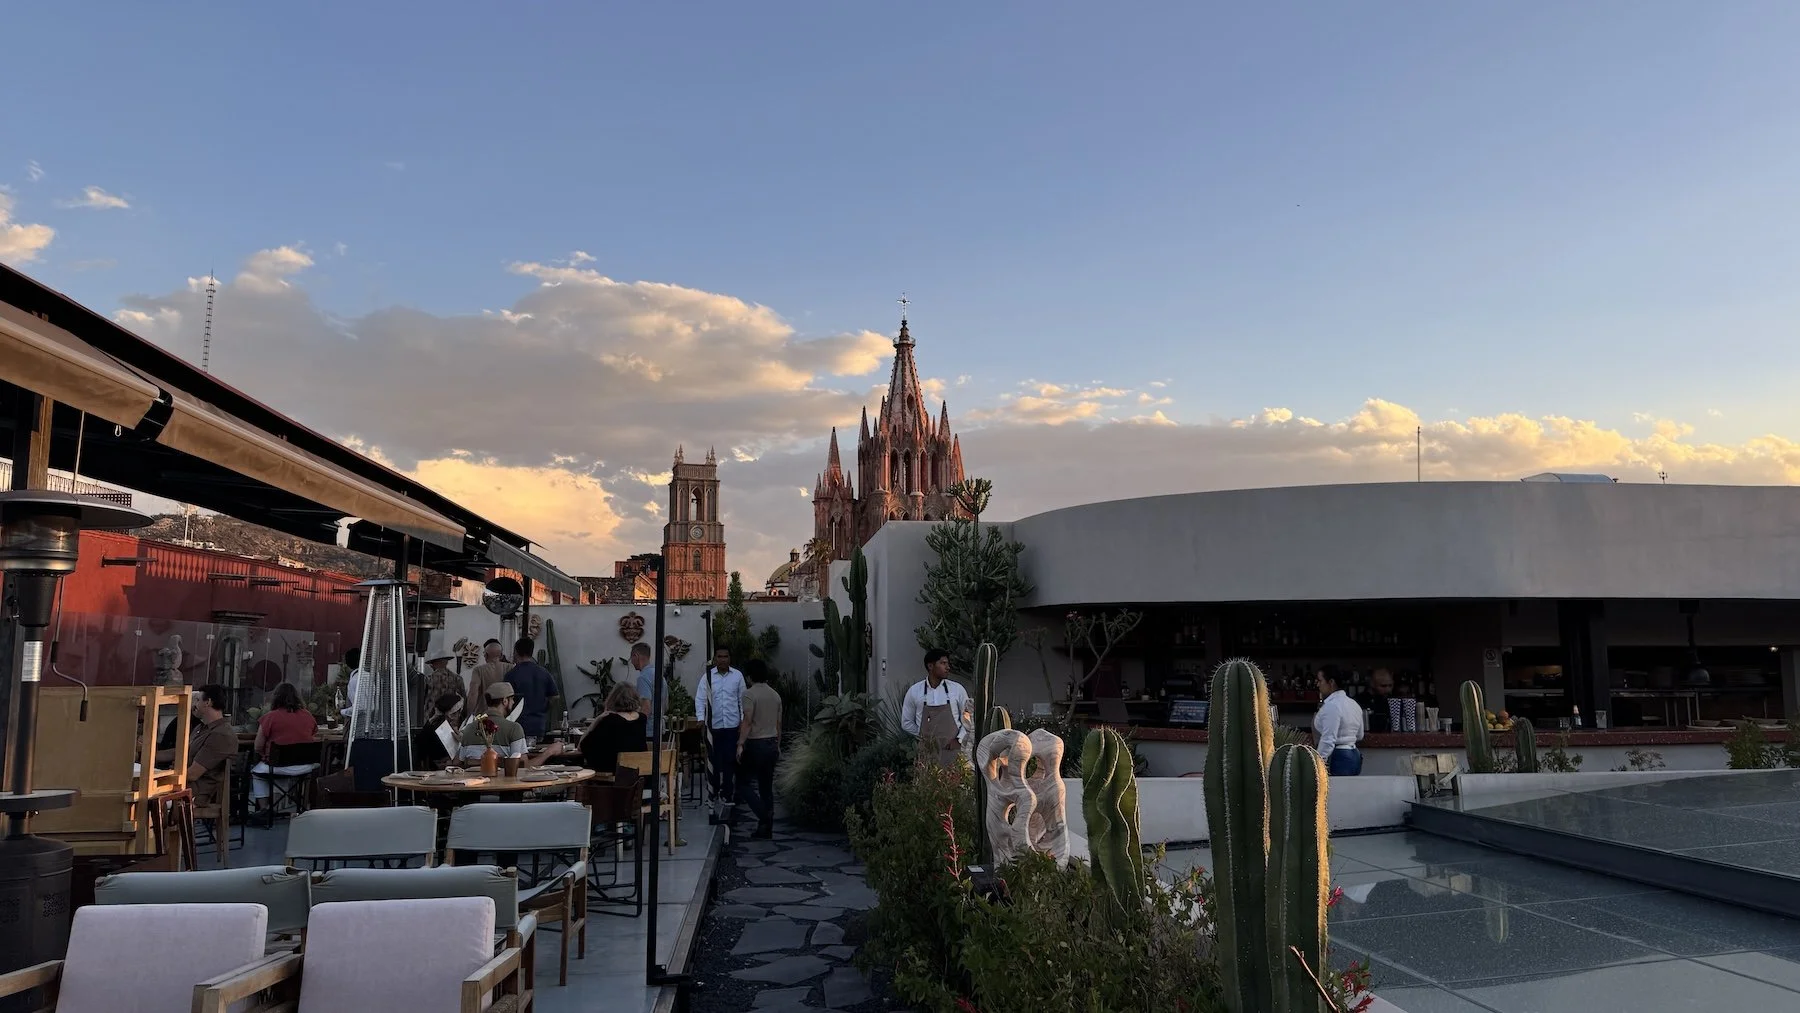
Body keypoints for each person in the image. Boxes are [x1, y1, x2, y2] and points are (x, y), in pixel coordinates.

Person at [157, 683, 238, 808]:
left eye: (198, 700)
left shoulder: (221, 734)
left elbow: (193, 774)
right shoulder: (201, 728)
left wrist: (160, 778)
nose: (194, 705)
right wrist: (146, 756)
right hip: (182, 786)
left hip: (195, 793)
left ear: (208, 702)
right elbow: (180, 752)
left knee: (145, 800)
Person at [457, 682, 569, 765]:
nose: (514, 702)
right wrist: (549, 752)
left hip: (473, 787)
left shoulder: (469, 729)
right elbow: (523, 767)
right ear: (505, 701)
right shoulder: (513, 729)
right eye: (512, 699)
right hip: (505, 786)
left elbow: (459, 762)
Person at [250, 683, 319, 806]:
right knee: (277, 768)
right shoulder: (308, 716)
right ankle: (288, 807)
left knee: (257, 774)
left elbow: (258, 746)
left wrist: (264, 755)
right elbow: (313, 734)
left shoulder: (270, 717)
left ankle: (264, 809)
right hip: (304, 766)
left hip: (278, 765)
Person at [901, 649, 972, 767]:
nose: (948, 667)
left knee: (955, 777)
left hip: (953, 750)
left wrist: (959, 740)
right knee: (928, 777)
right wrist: (923, 736)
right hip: (927, 751)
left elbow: (968, 718)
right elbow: (906, 722)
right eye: (943, 663)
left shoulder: (957, 690)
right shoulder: (914, 691)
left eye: (948, 664)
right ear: (930, 666)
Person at [736, 659, 782, 839]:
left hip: (756, 743)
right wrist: (778, 745)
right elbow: (778, 724)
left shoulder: (749, 694)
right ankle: (765, 829)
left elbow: (747, 721)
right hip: (771, 743)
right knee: (766, 787)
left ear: (749, 676)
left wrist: (740, 743)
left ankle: (764, 815)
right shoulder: (775, 695)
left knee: (743, 783)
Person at [695, 647, 745, 807]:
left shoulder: (737, 676)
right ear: (715, 659)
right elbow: (700, 699)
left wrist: (742, 721)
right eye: (720, 656)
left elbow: (742, 700)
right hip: (713, 727)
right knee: (714, 761)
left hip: (732, 726)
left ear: (730, 658)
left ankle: (727, 794)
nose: (723, 659)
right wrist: (700, 718)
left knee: (730, 761)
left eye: (725, 656)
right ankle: (713, 793)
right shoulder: (707, 677)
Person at [578, 684, 648, 773]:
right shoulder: (642, 719)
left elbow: (582, 746)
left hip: (613, 774)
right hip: (639, 773)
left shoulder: (609, 720)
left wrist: (597, 719)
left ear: (613, 699)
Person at [1313, 666, 1365, 776]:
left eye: (1320, 681)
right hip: (1354, 754)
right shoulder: (1354, 704)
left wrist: (1318, 764)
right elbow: (1360, 735)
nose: (1318, 685)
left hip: (1339, 756)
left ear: (1331, 682)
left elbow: (1328, 739)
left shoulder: (1332, 706)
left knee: (1337, 787)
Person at [505, 636, 560, 739]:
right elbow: (555, 696)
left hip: (518, 724)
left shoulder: (511, 675)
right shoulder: (544, 672)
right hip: (539, 723)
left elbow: (505, 700)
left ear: (516, 652)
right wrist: (544, 708)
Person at [412, 692, 465, 769]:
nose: (453, 718)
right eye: (453, 714)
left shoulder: (464, 725)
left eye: (456, 713)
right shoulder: (434, 730)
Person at [628, 642, 660, 742]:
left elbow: (646, 708)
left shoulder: (643, 678)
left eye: (631, 658)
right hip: (659, 729)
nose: (631, 662)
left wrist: (636, 729)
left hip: (648, 731)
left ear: (636, 656)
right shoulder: (659, 675)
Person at [422, 653, 466, 721]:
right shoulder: (457, 678)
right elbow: (463, 699)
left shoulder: (429, 679)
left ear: (435, 664)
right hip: (451, 716)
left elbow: (422, 699)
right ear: (446, 662)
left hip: (431, 716)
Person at [467, 639, 511, 707]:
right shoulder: (510, 668)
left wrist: (469, 712)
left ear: (486, 655)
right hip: (504, 711)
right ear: (501, 655)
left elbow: (473, 693)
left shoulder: (478, 670)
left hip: (484, 711)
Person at [1361, 667, 1396, 734]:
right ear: (1372, 684)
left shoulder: (1391, 701)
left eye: (1390, 685)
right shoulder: (1360, 701)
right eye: (1383, 686)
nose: (1388, 689)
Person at [338, 647, 363, 719]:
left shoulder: (355, 680)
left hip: (359, 722)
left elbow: (360, 707)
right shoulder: (367, 677)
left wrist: (342, 712)